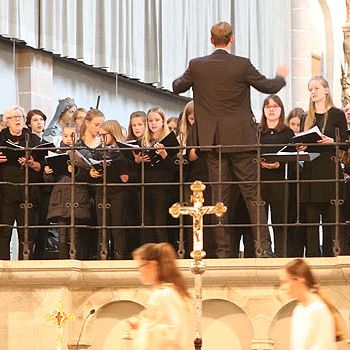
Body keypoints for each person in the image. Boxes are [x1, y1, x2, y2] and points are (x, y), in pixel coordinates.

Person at [172, 21, 288, 258]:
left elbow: (176, 87)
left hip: (214, 142)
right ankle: (263, 248)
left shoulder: (197, 66)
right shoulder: (241, 65)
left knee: (219, 196)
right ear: (231, 39)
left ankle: (223, 251)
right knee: (252, 195)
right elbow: (268, 86)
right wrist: (280, 76)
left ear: (211, 39)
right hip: (242, 139)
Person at [300, 76, 348, 257]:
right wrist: (302, 145)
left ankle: (330, 257)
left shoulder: (336, 114)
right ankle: (312, 257)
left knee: (330, 220)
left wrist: (332, 141)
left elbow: (345, 143)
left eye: (316, 88)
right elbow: (304, 143)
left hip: (328, 170)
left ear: (326, 90)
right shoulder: (306, 116)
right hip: (311, 171)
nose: (313, 92)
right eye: (310, 89)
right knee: (311, 221)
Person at [129, 242, 191, 350]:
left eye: (140, 266)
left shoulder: (165, 295)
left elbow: (171, 334)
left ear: (153, 265)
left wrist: (144, 325)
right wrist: (141, 324)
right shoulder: (164, 293)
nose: (139, 272)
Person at [0, 105, 43, 259]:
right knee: (4, 232)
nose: (17, 119)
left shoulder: (33, 139)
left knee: (26, 233)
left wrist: (32, 163)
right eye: (13, 117)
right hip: (6, 192)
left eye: (20, 117)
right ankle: (3, 266)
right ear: (7, 121)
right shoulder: (0, 138)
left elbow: (42, 166)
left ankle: (25, 265)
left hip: (28, 192)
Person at [280, 258, 344, 349]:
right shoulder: (299, 309)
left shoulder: (318, 309)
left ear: (299, 281)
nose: (283, 287)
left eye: (285, 282)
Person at [90, 120, 131, 259]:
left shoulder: (123, 151)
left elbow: (128, 175)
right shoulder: (98, 152)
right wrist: (92, 172)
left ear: (113, 133)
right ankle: (102, 255)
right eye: (100, 135)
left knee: (117, 227)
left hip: (118, 191)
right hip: (102, 190)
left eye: (104, 135)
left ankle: (119, 256)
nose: (101, 138)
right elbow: (92, 168)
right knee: (102, 228)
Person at [259, 95, 294, 257]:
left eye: (275, 106)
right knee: (261, 220)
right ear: (263, 110)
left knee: (280, 220)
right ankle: (265, 252)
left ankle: (282, 254)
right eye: (268, 106)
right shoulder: (257, 132)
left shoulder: (288, 132)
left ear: (281, 109)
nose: (271, 109)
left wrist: (280, 164)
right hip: (261, 181)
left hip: (280, 180)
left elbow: (294, 159)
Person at [135, 107, 175, 245]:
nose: (153, 123)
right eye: (150, 120)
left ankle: (163, 254)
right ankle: (149, 254)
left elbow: (175, 168)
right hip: (145, 185)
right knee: (146, 222)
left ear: (163, 121)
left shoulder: (170, 141)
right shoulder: (142, 141)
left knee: (159, 222)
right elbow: (134, 167)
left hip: (162, 186)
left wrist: (165, 156)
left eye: (157, 120)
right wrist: (138, 161)